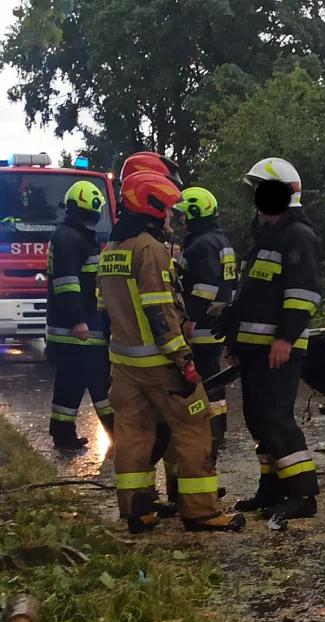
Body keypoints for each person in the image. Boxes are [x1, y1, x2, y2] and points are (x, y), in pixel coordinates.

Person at [98, 168, 243, 533]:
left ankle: (138, 510)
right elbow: (160, 311)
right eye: (165, 211)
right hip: (161, 364)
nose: (169, 219)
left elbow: (104, 310)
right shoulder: (151, 250)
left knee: (133, 433)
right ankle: (201, 511)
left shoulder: (111, 250)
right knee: (195, 425)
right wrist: (183, 360)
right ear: (151, 208)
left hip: (124, 365)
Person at [227, 157, 322, 531]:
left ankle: (302, 494)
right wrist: (235, 340)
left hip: (278, 348)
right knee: (256, 419)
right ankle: (271, 488)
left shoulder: (298, 236)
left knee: (276, 419)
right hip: (254, 348)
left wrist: (285, 337)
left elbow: (304, 295)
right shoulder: (266, 237)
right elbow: (251, 295)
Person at [46, 180, 113, 449]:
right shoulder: (69, 238)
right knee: (100, 380)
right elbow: (67, 282)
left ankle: (62, 435)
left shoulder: (73, 236)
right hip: (79, 328)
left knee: (70, 384)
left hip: (75, 326)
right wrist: (78, 320)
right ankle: (118, 433)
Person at [171, 187, 236, 451]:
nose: (182, 220)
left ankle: (212, 431)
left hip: (202, 323)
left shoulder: (201, 244)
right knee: (213, 375)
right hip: (218, 321)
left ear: (195, 213)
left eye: (184, 214)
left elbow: (204, 287)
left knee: (204, 377)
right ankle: (217, 428)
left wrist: (190, 319)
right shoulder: (221, 241)